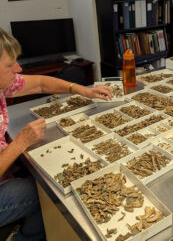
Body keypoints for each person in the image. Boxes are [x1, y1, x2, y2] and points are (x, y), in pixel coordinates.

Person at [0, 28, 112, 241]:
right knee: (40, 194)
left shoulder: (2, 84)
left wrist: (84, 90)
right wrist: (19, 143)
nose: (18, 68)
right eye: (9, 64)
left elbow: (42, 83)